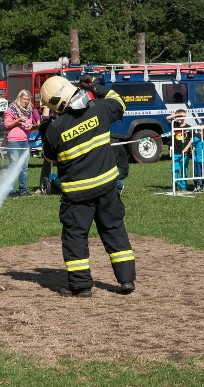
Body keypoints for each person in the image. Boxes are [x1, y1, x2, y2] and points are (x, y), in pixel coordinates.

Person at [39, 76, 136, 297]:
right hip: (107, 188)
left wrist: (46, 129)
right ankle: (126, 280)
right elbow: (119, 103)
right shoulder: (100, 109)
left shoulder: (56, 129)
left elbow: (49, 157)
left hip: (77, 195)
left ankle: (81, 286)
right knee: (114, 230)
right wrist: (95, 87)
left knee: (75, 237)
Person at [4, 89, 39, 197]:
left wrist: (32, 126)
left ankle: (23, 190)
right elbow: (7, 125)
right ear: (19, 98)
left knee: (24, 167)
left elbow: (35, 125)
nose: (26, 101)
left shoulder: (29, 111)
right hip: (14, 141)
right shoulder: (11, 109)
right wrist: (18, 120)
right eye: (24, 99)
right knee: (14, 166)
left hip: (25, 140)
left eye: (28, 99)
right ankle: (11, 191)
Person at [166, 110, 193, 192]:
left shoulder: (188, 127)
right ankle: (175, 184)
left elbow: (191, 139)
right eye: (177, 117)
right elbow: (167, 118)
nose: (179, 119)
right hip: (175, 152)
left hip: (185, 153)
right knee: (174, 169)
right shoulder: (174, 125)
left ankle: (183, 186)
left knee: (184, 170)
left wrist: (187, 148)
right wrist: (177, 114)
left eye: (181, 117)